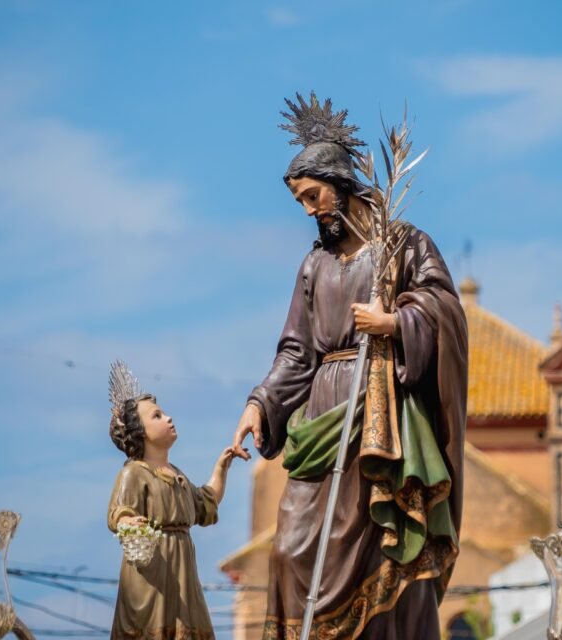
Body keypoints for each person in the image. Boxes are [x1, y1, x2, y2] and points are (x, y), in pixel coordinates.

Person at [230, 93, 469, 639]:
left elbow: (446, 310)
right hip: (324, 410)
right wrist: (259, 403)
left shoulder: (402, 246)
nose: (310, 210)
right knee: (290, 549)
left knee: (383, 551)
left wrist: (396, 323)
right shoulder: (314, 265)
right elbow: (295, 351)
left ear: (340, 184)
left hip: (381, 410)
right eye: (301, 203)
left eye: (313, 196)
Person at [108, 365, 237, 640]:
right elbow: (119, 511)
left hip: (183, 575)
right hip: (151, 574)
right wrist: (128, 521)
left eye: (164, 413)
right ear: (140, 431)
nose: (168, 418)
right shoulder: (134, 472)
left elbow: (205, 502)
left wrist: (221, 468)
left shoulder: (177, 475)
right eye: (157, 416)